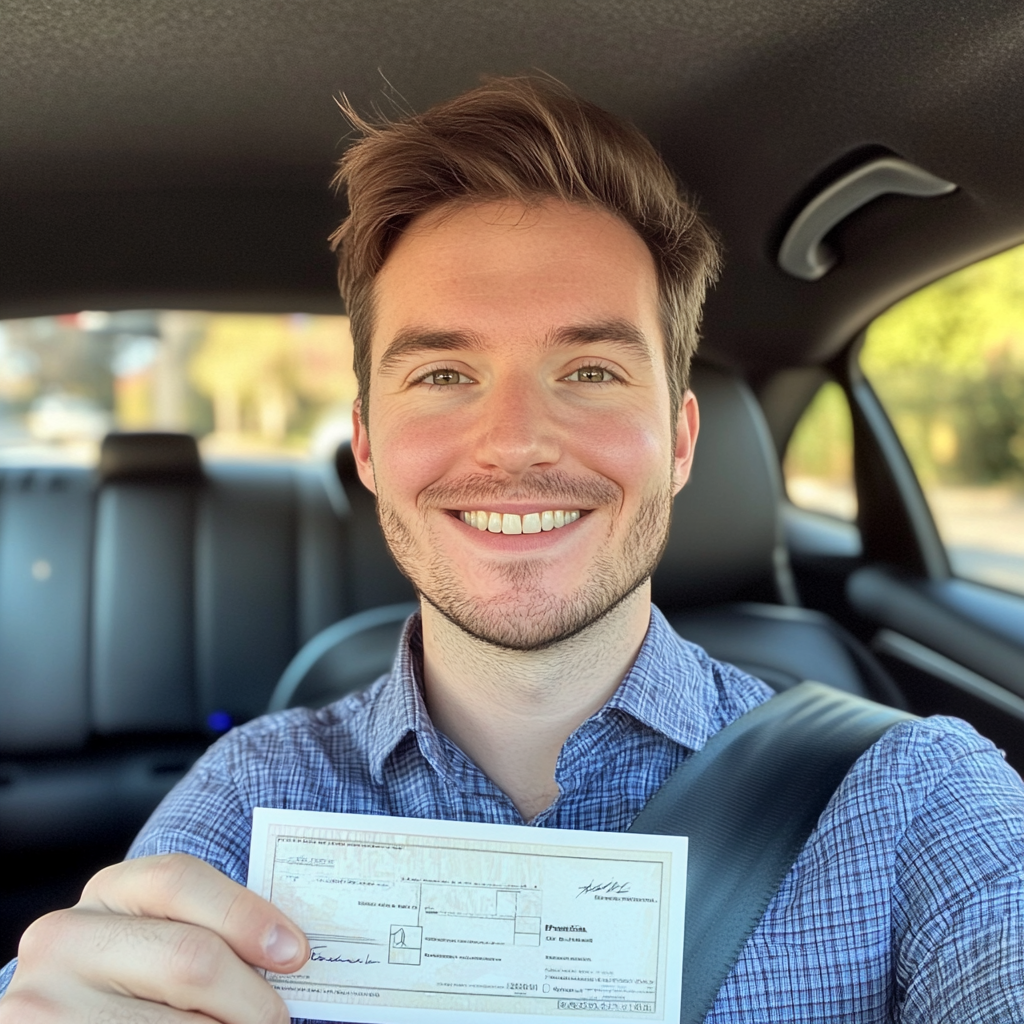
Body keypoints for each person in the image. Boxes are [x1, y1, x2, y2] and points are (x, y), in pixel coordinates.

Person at [1, 76, 1022, 1024]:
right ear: (367, 444)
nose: (516, 443)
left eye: (587, 369)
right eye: (443, 375)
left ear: (676, 441)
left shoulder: (911, 798)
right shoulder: (249, 795)